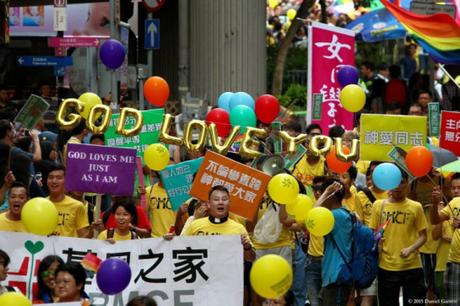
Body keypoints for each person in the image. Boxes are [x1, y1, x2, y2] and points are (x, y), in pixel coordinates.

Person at [180, 185, 255, 305]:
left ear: (229, 203)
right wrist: (167, 241)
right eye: (216, 199)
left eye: (224, 199)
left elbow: (250, 258)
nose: (220, 202)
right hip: (200, 284)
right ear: (209, 204)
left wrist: (246, 247)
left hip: (228, 287)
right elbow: (179, 249)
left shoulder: (238, 228)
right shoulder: (195, 225)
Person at [370, 169, 427, 306]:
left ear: (407, 183)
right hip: (386, 266)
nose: (398, 186)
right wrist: (377, 240)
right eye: (394, 182)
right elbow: (373, 233)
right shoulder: (379, 205)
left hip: (412, 266)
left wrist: (411, 249)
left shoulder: (416, 207)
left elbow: (423, 236)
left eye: (401, 182)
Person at [314, 178, 353, 306]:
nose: (319, 197)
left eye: (322, 193)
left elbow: (313, 215)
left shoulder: (336, 216)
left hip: (337, 276)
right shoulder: (342, 214)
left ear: (331, 196)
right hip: (334, 276)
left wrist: (327, 192)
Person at [430, 172, 460, 303]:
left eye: (459, 188)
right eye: (453, 188)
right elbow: (434, 220)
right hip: (454, 261)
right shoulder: (454, 202)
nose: (456, 191)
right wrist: (434, 203)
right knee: (452, 301)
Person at [46, 164, 90, 237]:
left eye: (59, 178)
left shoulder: (77, 206)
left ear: (66, 181)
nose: (54, 181)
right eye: (51, 178)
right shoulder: (39, 205)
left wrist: (92, 231)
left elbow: (83, 237)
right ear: (47, 181)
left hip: (66, 248)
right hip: (43, 247)